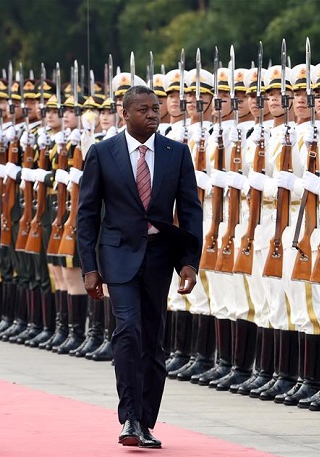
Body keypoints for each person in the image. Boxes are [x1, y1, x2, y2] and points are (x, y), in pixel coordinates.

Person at [77, 85, 203, 448]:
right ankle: (129, 417)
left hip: (160, 257)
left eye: (156, 109)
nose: (153, 115)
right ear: (125, 114)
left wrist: (189, 262)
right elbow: (87, 215)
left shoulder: (175, 153)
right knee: (127, 331)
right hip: (117, 255)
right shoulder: (103, 153)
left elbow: (190, 211)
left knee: (152, 339)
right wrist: (89, 267)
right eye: (144, 110)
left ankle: (146, 421)